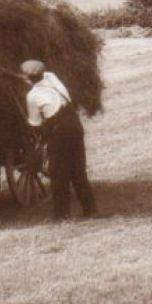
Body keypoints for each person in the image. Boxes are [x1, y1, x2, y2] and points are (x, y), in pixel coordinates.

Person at [22, 59, 97, 219]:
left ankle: (62, 215)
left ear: (28, 78)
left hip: (59, 132)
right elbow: (43, 76)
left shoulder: (32, 96)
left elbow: (35, 123)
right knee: (78, 170)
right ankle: (90, 210)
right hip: (75, 125)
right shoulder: (52, 77)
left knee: (58, 173)